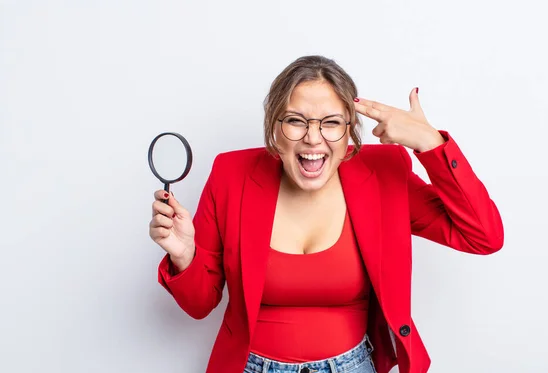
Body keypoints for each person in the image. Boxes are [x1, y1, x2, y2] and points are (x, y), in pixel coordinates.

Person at [149, 55, 504, 373]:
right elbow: (199, 305)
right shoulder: (233, 174)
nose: (313, 139)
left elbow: (483, 236)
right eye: (295, 121)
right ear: (274, 126)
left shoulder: (383, 173)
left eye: (331, 122)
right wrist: (185, 256)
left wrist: (431, 144)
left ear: (350, 127)